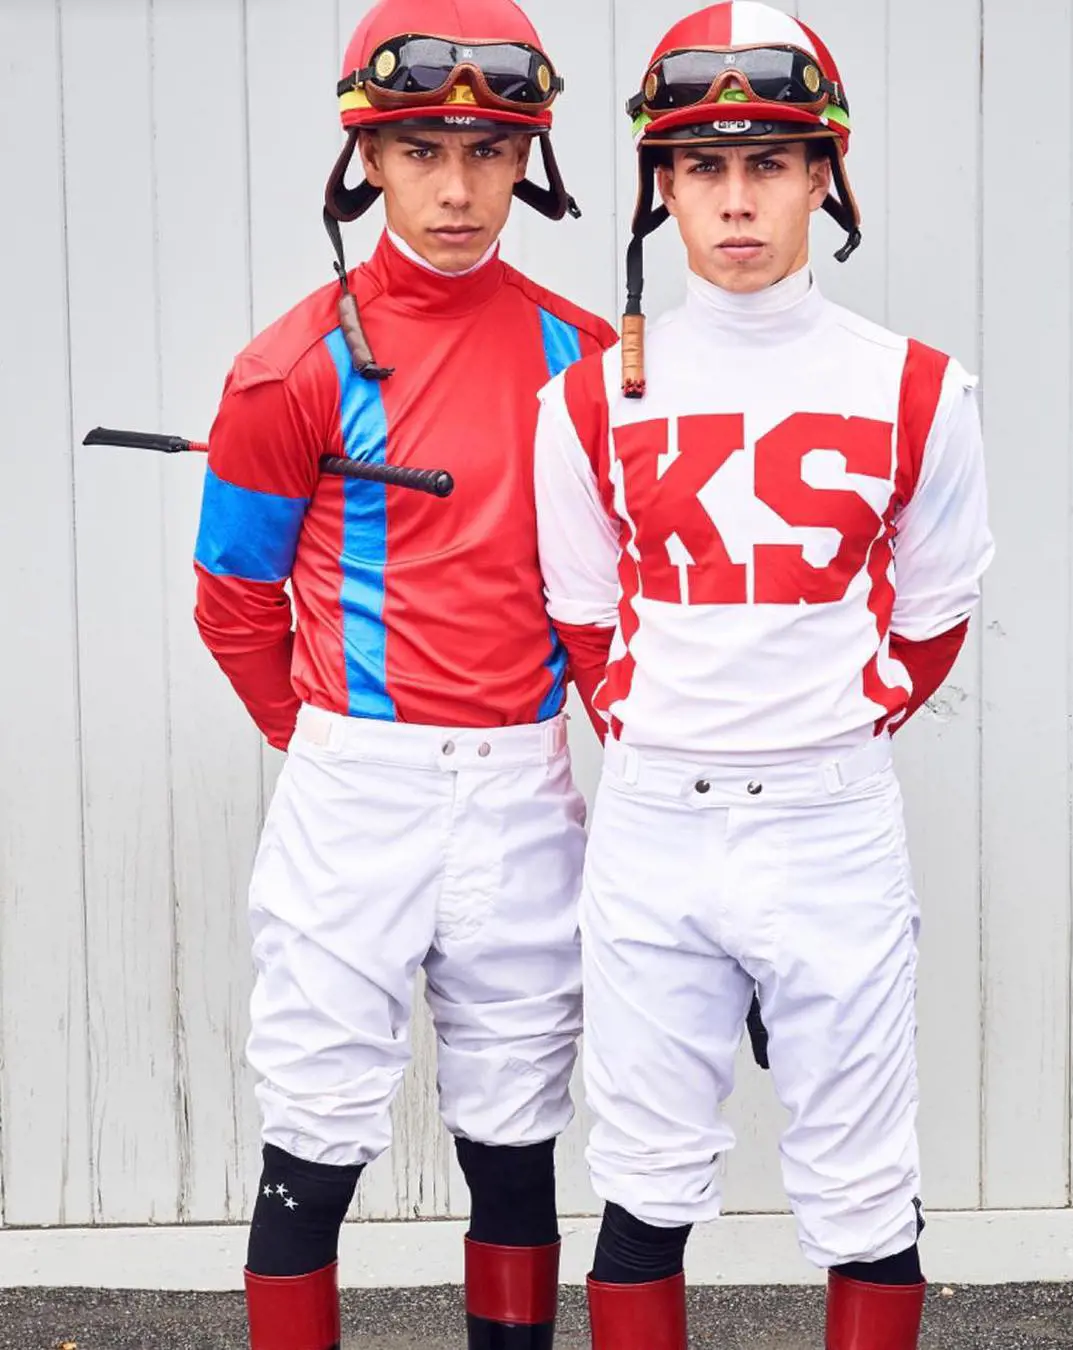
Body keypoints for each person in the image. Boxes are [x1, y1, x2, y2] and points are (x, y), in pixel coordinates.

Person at [532, 4, 993, 1347]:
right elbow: (582, 610)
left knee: (865, 1187)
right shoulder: (586, 397)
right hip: (657, 819)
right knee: (642, 1179)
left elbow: (941, 602)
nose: (736, 200)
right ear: (661, 184)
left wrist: (829, 724)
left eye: (770, 164)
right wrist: (660, 724)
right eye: (705, 167)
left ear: (820, 177)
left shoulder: (917, 386)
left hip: (831, 820)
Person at [193, 3, 616, 1347]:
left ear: (526, 162)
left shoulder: (593, 362)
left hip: (525, 779)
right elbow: (230, 599)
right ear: (366, 158)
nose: (454, 185)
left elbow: (620, 610)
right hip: (354, 785)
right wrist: (319, 735)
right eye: (422, 148)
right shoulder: (286, 367)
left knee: (514, 1132)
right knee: (314, 1131)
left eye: (488, 152)